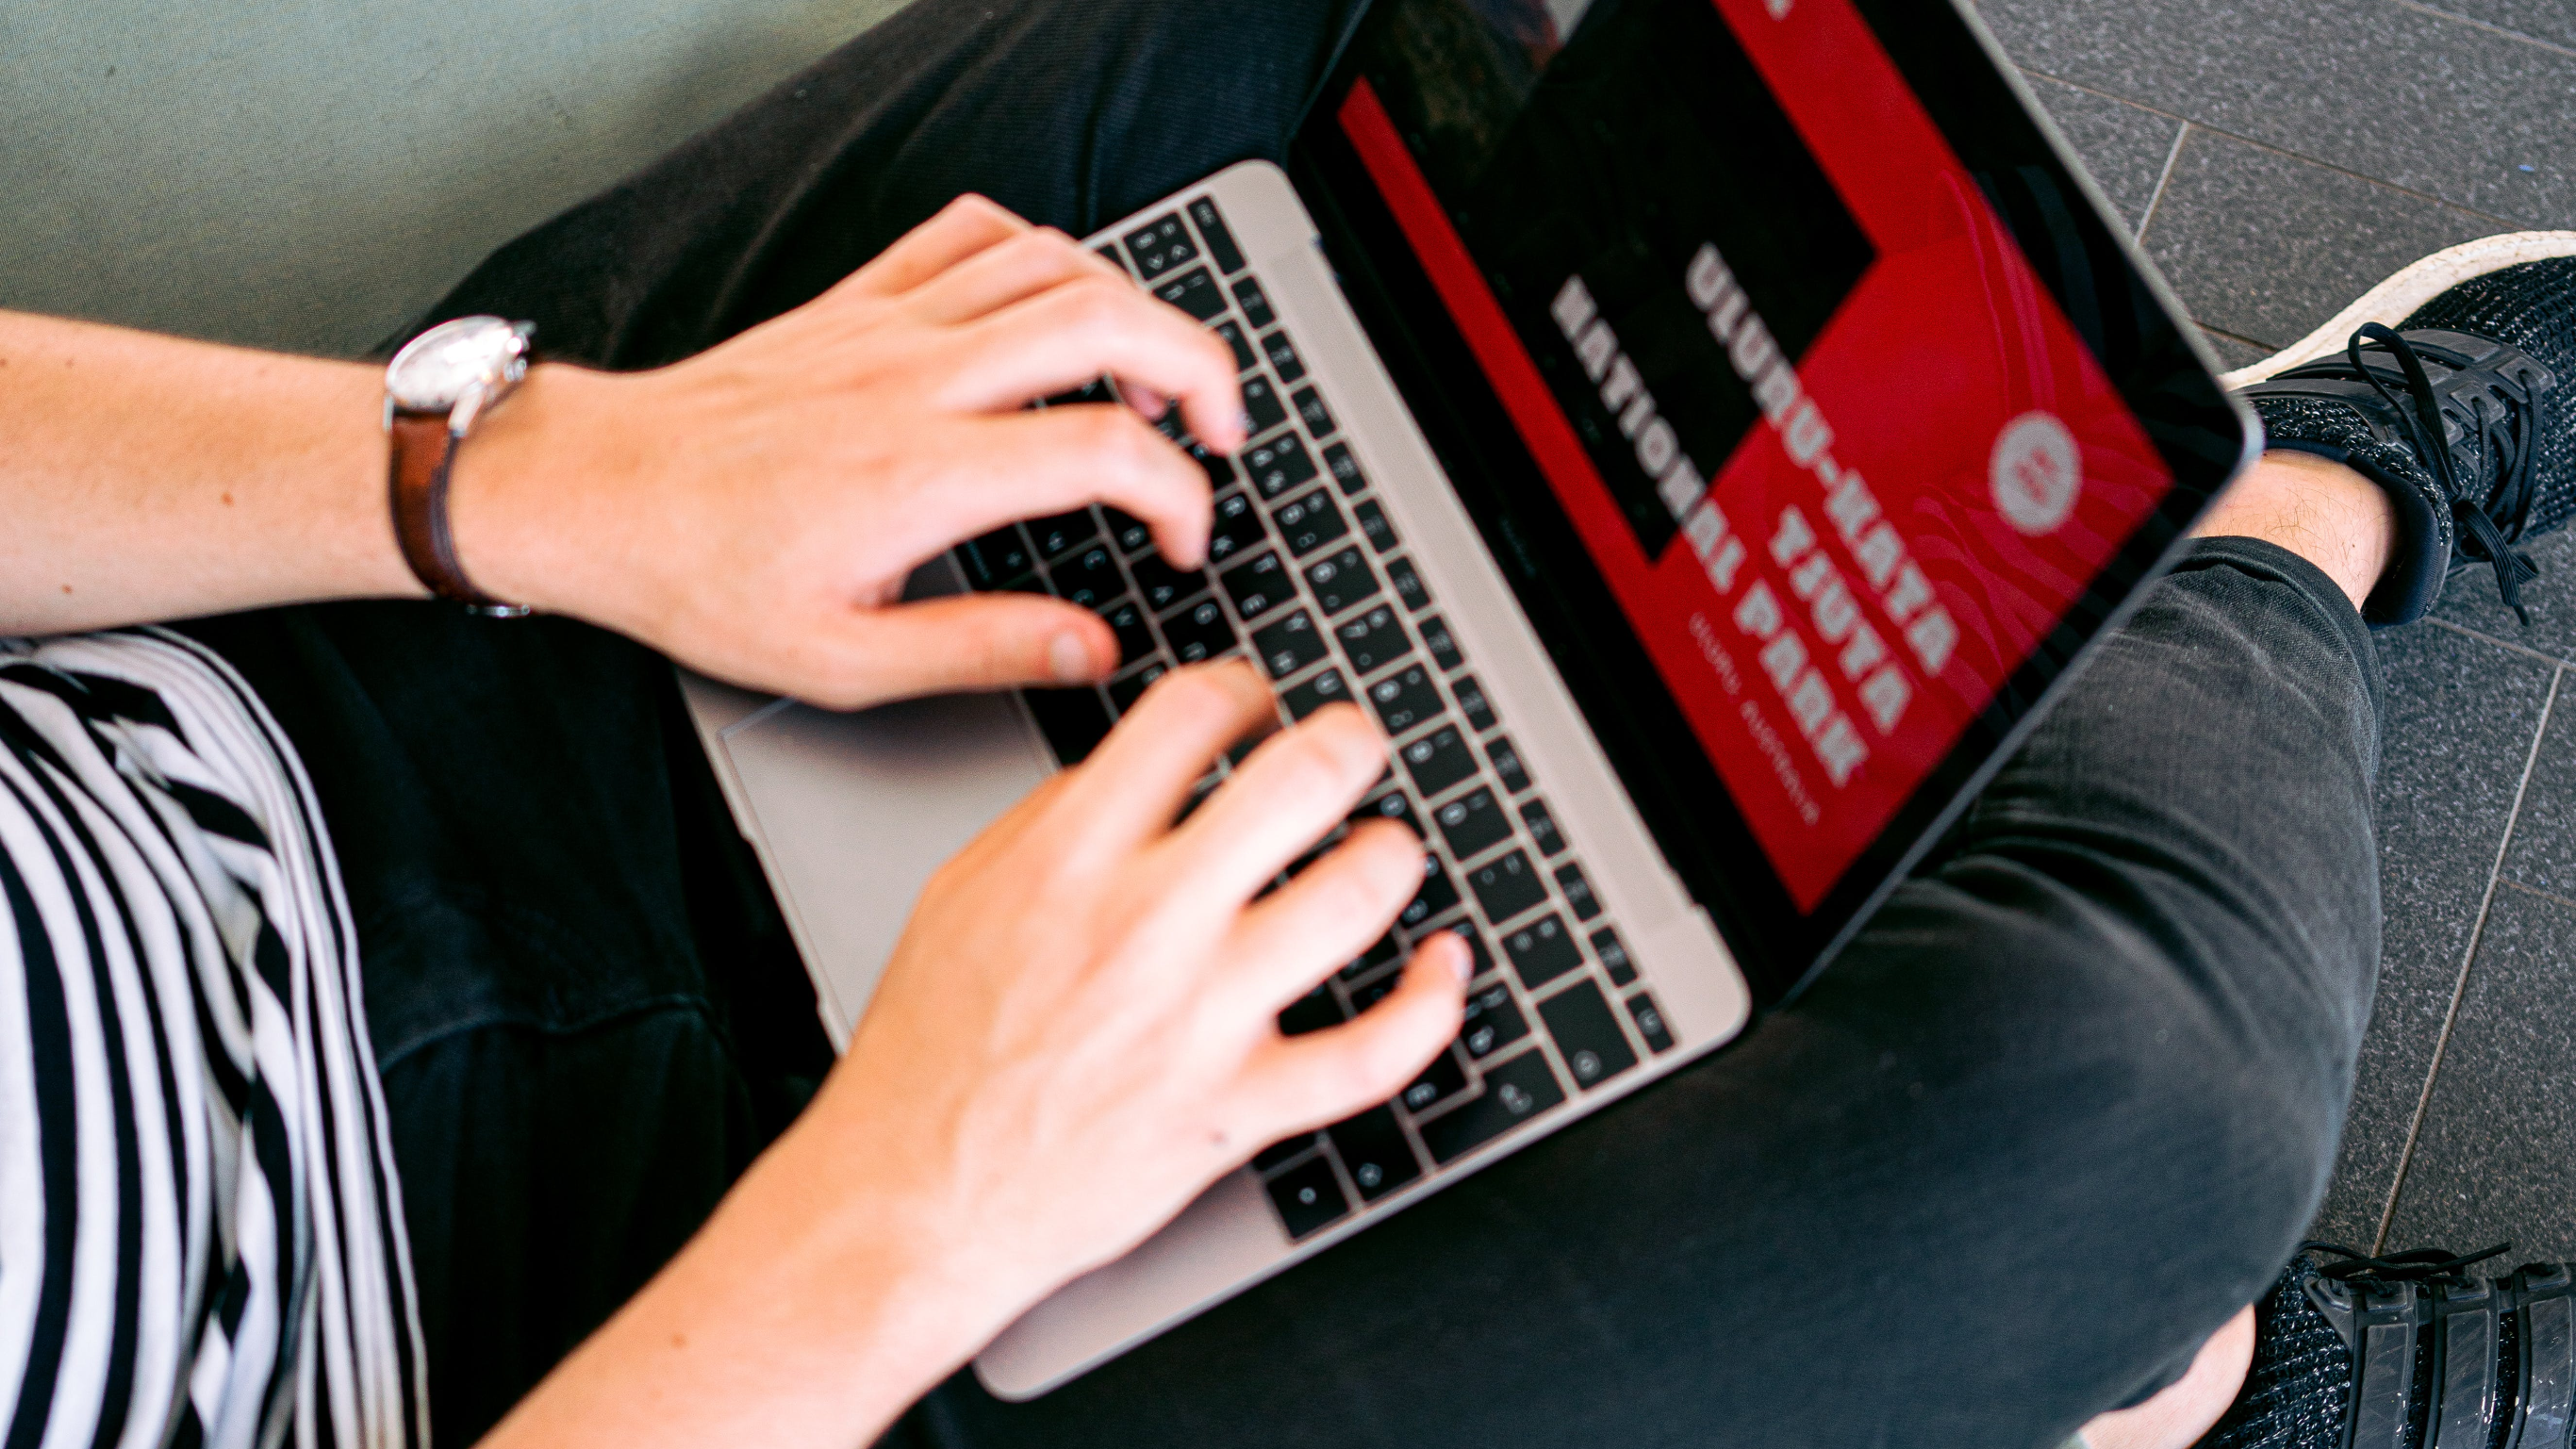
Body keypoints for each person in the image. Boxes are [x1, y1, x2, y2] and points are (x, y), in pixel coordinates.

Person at [2, 0, 2568, 1446]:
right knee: (2117, 1083)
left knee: (1289, 72)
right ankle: (2284, 531)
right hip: (613, 1343)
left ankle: (2045, 1308)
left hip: (331, 685)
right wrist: (909, 1203)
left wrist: (526, 476)